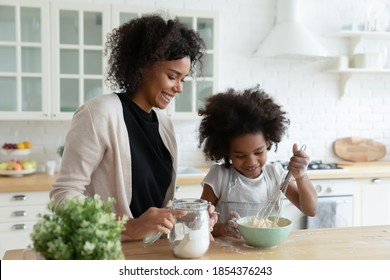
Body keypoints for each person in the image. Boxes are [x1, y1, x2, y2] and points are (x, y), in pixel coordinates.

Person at [50, 14, 217, 241]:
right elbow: (63, 195)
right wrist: (127, 226)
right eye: (172, 76)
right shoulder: (99, 113)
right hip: (107, 250)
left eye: (183, 80)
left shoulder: (164, 126)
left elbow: (154, 207)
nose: (179, 88)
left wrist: (190, 217)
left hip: (151, 251)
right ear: (142, 67)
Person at [197, 86, 317, 239]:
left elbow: (310, 210)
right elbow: (200, 222)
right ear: (226, 151)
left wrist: (301, 177)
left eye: (258, 152)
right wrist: (222, 229)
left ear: (268, 141)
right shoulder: (219, 176)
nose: (251, 162)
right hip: (226, 253)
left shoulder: (275, 174)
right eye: (240, 155)